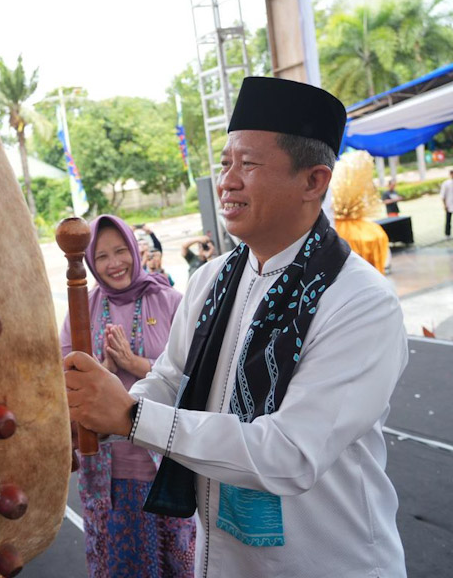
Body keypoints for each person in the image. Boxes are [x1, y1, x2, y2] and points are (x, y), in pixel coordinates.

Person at [64, 77, 408, 577]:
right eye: (225, 163)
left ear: (314, 181)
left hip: (327, 562)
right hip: (220, 559)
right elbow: (168, 380)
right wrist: (97, 407)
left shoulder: (358, 303)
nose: (227, 180)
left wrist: (133, 418)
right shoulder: (212, 279)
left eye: (248, 164)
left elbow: (289, 453)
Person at [60, 215, 195, 577]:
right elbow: (60, 381)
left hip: (166, 462)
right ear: (90, 261)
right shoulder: (81, 309)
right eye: (102, 256)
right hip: (109, 474)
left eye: (121, 251)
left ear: (136, 251)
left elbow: (194, 378)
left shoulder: (169, 300)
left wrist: (136, 364)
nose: (114, 263)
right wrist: (98, 369)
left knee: (177, 564)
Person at [441, 169, 453, 237]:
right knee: (448, 220)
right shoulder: (446, 184)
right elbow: (442, 196)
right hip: (449, 204)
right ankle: (447, 234)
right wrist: (444, 205)